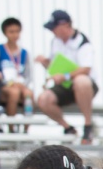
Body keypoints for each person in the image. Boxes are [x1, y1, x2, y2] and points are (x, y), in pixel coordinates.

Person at [35, 10, 97, 144]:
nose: (52, 31)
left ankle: (87, 126)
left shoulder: (82, 42)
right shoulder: (55, 42)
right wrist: (45, 62)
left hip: (83, 85)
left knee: (81, 81)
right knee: (43, 99)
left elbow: (86, 69)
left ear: (65, 26)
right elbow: (53, 66)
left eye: (54, 28)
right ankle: (68, 128)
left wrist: (65, 76)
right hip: (64, 86)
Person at [0, 17, 34, 123]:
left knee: (29, 94)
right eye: (11, 32)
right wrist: (7, 82)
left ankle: (27, 127)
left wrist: (23, 84)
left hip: (20, 85)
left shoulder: (24, 53)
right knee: (14, 93)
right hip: (5, 86)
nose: (14, 35)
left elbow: (28, 74)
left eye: (17, 31)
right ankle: (11, 127)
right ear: (5, 33)